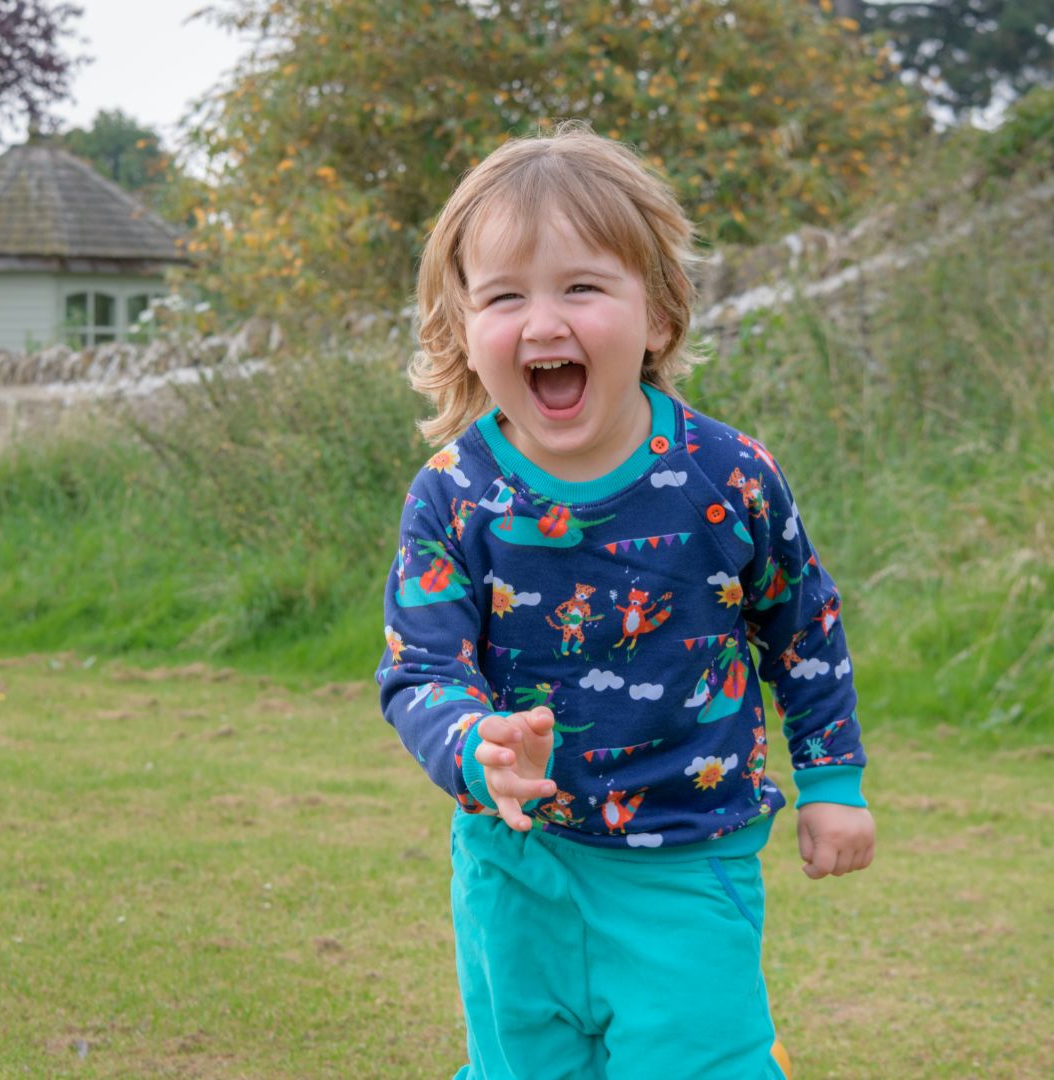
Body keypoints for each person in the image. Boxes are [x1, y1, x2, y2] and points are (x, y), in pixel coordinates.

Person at [375, 121, 875, 1080]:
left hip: (690, 860)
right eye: (505, 296)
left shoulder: (727, 477)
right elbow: (423, 668)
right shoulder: (452, 493)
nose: (544, 321)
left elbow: (800, 626)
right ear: (462, 332)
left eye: (582, 287)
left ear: (657, 315)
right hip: (515, 864)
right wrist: (472, 748)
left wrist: (833, 781)